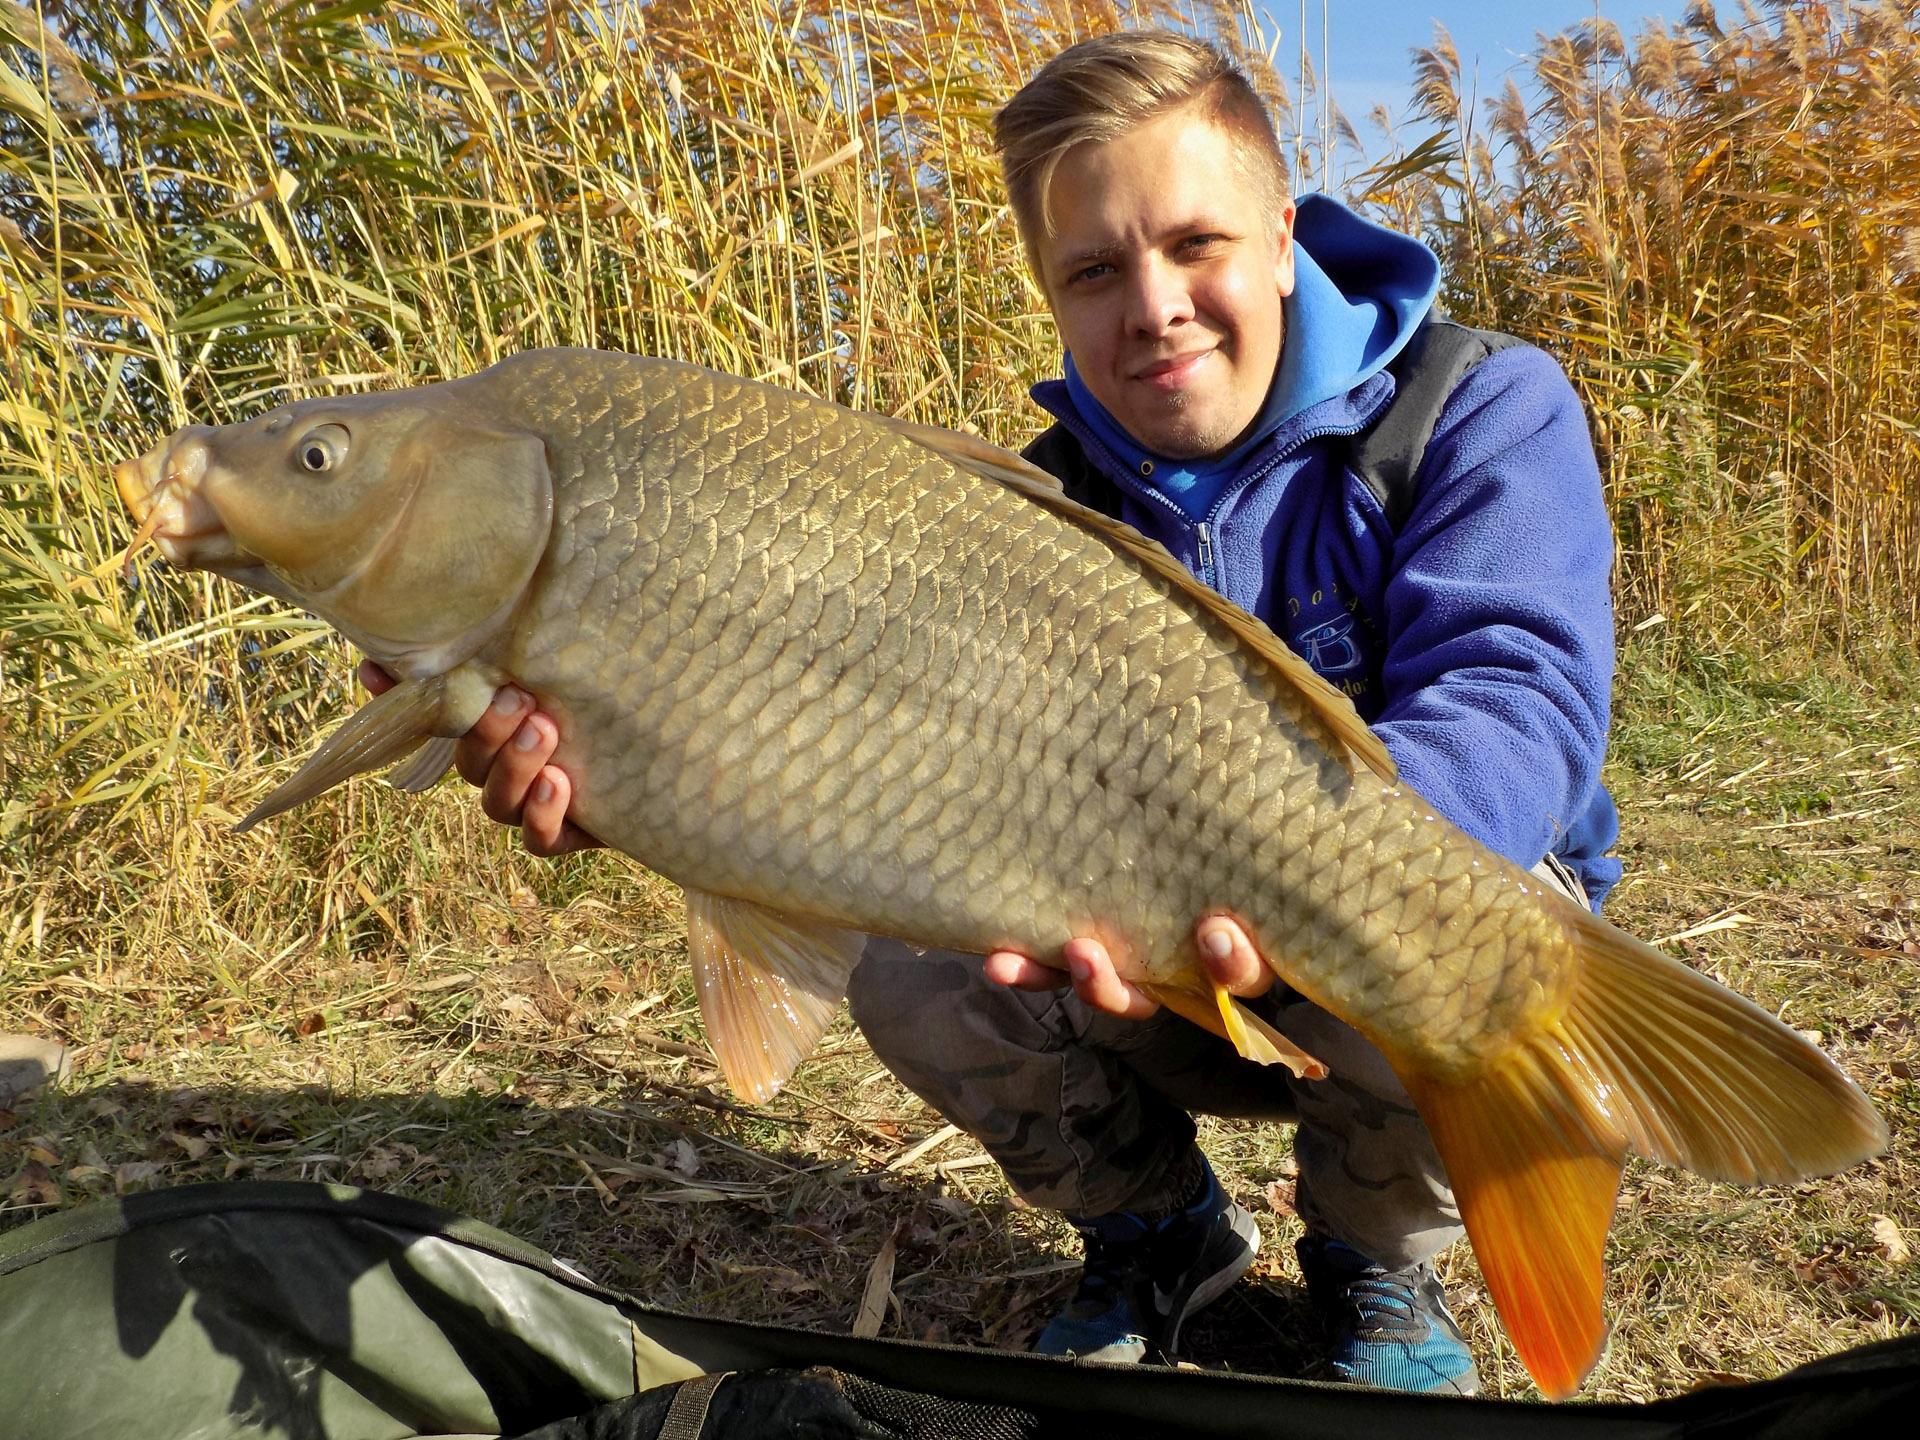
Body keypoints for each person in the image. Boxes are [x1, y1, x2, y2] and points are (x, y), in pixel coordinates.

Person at [364, 30, 1619, 1396]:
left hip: (1381, 908)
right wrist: (631, 787)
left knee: (1482, 930)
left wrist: (1304, 889)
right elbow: (830, 774)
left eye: (1195, 243)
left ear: (1280, 234)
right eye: (1094, 271)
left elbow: (1517, 694)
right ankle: (1156, 1232)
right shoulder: (1024, 515)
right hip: (1133, 959)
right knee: (915, 959)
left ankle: (1378, 1257)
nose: (1154, 305)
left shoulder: (1476, 404)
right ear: (1049, 290)